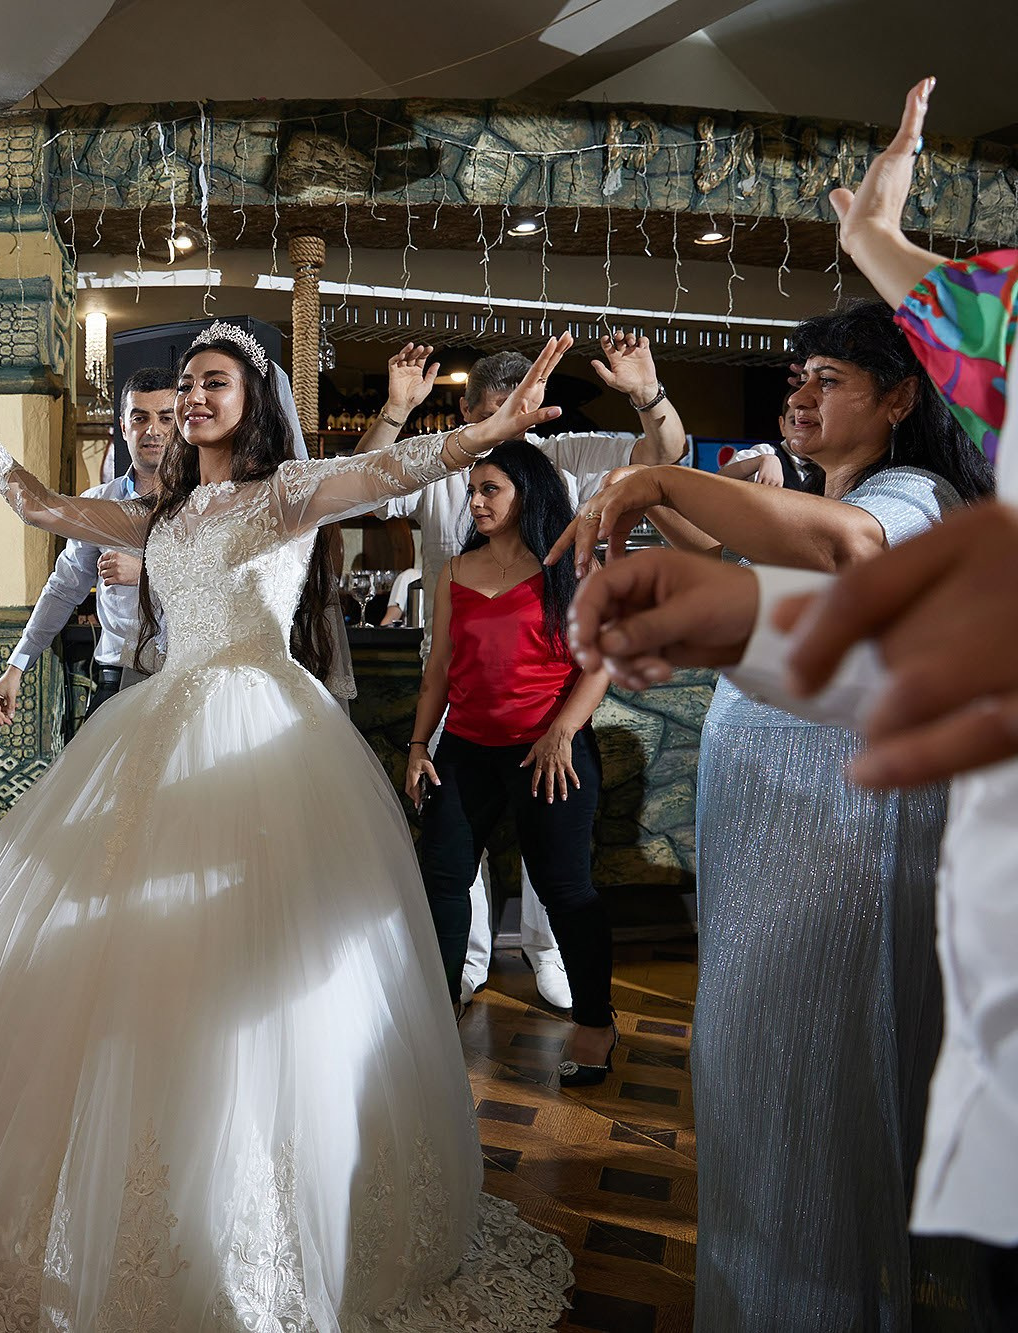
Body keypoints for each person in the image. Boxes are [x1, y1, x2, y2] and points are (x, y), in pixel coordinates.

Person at [0, 327, 583, 1329]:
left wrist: (484, 431)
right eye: (186, 386)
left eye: (211, 384)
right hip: (156, 723)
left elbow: (389, 466)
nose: (193, 398)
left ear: (249, 401)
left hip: (259, 740)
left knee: (243, 972)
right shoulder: (160, 512)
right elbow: (43, 507)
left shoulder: (285, 492)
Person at [567, 78, 1018, 1278]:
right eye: (795, 375)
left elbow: (843, 551)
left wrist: (659, 481)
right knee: (761, 1075)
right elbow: (742, 553)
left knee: (807, 1084)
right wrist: (665, 471)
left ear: (899, 398)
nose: (801, 392)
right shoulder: (825, 498)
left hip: (838, 840)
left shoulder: (906, 502)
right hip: (779, 832)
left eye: (830, 376)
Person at [358, 334, 687, 1011]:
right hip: (455, 696)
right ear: (469, 419)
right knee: (451, 862)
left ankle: (552, 959)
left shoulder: (562, 458)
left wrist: (647, 393)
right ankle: (463, 966)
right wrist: (394, 411)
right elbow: (360, 484)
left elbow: (666, 453)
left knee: (556, 865)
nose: (522, 423)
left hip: (548, 705)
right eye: (504, 412)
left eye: (532, 409)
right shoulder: (445, 470)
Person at [405, 441, 616, 1081]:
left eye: (490, 489)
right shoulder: (454, 572)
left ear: (528, 491)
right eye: (472, 491)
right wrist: (419, 745)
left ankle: (594, 1022)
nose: (475, 502)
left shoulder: (574, 569)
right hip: (464, 748)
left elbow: (599, 664)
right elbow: (438, 668)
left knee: (563, 888)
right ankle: (439, 1011)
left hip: (549, 751)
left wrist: (561, 734)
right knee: (441, 879)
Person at [0, 365, 171, 724]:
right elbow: (63, 589)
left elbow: (220, 585)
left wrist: (147, 572)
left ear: (180, 423)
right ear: (123, 426)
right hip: (114, 677)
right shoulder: (98, 502)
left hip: (185, 677)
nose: (153, 430)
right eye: (140, 417)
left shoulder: (202, 501)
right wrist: (16, 666)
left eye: (165, 417)